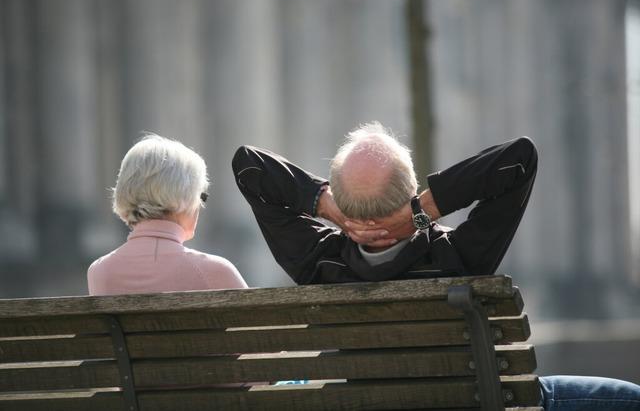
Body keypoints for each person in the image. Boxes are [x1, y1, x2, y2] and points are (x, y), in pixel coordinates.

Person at [232, 122, 640, 410]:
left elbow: (249, 167)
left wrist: (330, 210)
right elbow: (519, 160)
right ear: (411, 191)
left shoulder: (318, 263)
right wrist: (422, 213)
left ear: (340, 198)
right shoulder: (455, 256)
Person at [88, 134, 247, 295]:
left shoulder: (99, 271)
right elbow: (261, 319)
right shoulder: (215, 271)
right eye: (201, 196)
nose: (200, 206)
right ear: (184, 195)